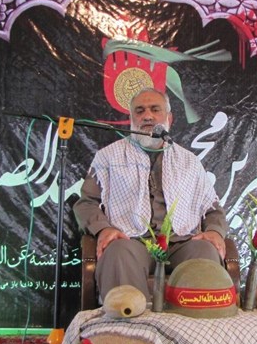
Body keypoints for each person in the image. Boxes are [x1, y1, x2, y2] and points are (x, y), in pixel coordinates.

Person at [74, 87, 227, 302]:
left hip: (181, 242)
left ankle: (195, 324)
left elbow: (212, 208)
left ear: (169, 118)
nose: (147, 116)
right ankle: (129, 323)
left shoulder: (189, 161)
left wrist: (214, 231)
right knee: (117, 253)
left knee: (205, 251)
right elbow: (86, 203)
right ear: (131, 119)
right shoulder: (108, 157)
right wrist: (103, 229)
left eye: (155, 109)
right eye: (140, 111)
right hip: (131, 241)